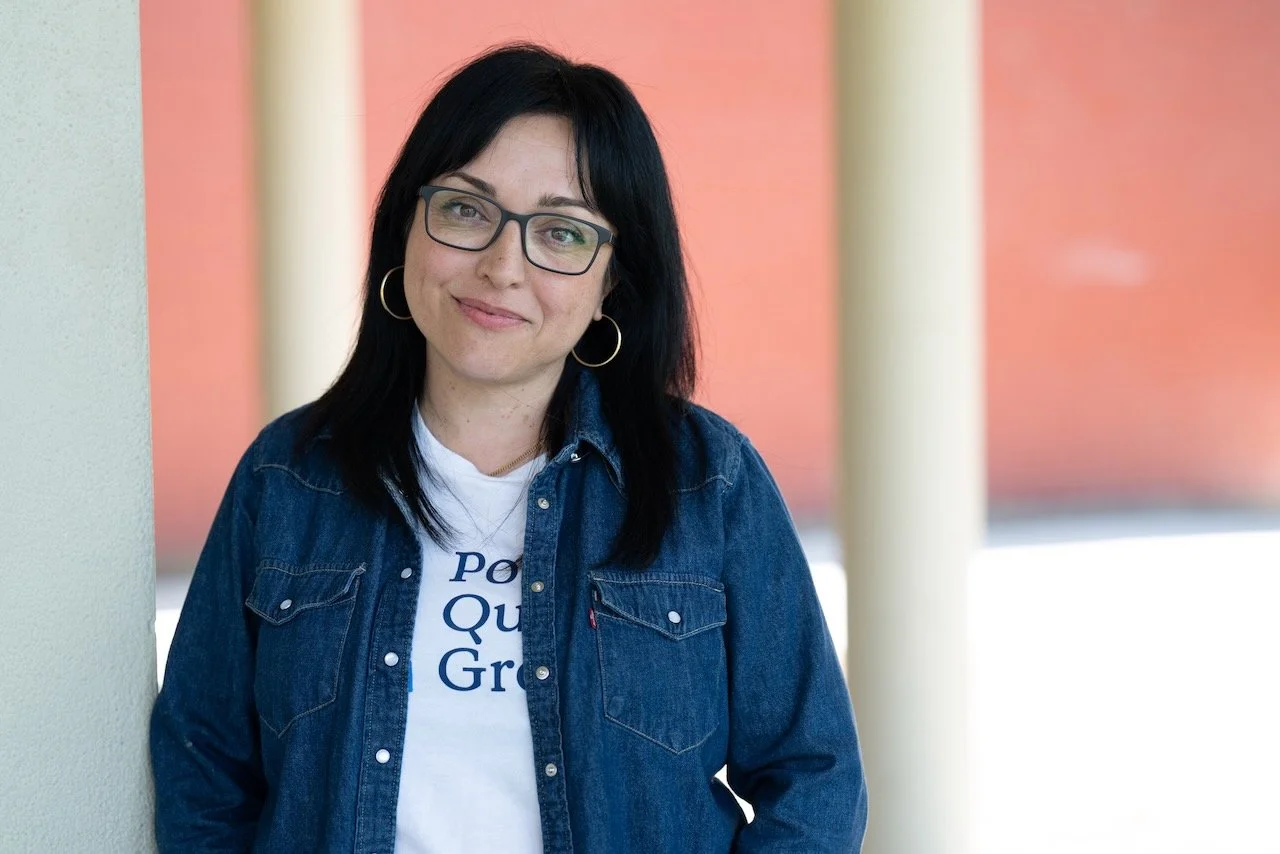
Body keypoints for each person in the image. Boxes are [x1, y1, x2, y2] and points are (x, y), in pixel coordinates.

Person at [150, 43, 867, 853]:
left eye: (560, 233)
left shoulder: (707, 482)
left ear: (612, 280)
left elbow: (814, 778)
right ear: (407, 227)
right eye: (466, 210)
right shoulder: (288, 478)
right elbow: (202, 769)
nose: (501, 267)